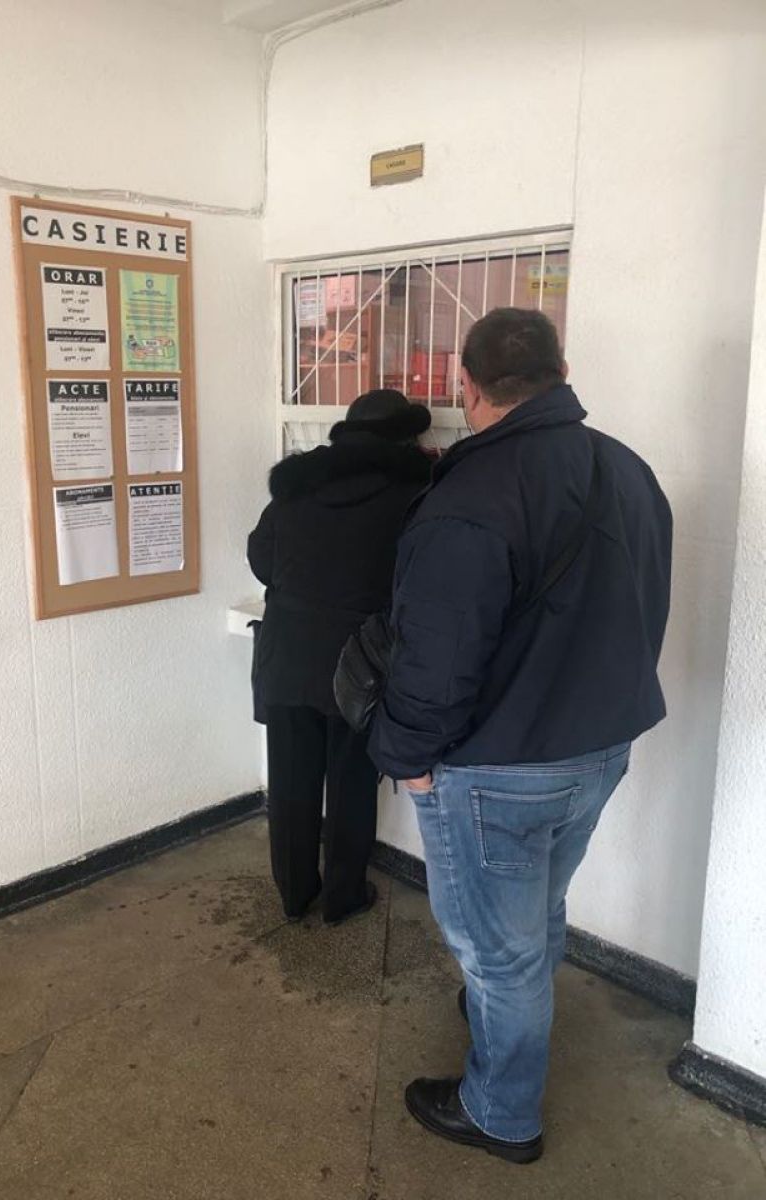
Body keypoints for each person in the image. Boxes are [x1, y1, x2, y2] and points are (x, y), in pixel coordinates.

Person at [368, 309, 672, 1164]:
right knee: (538, 913)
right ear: (561, 372)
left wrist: (404, 759)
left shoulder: (469, 498)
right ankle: (501, 1017)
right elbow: (647, 600)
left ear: (465, 386)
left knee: (498, 954)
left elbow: (436, 661)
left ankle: (501, 1112)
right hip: (601, 750)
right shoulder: (627, 469)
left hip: (498, 770)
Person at [248, 390, 432, 924]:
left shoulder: (299, 483)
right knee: (352, 782)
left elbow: (261, 558)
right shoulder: (413, 495)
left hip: (287, 655)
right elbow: (418, 583)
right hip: (360, 663)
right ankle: (343, 896)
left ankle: (294, 893)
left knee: (290, 780)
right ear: (404, 438)